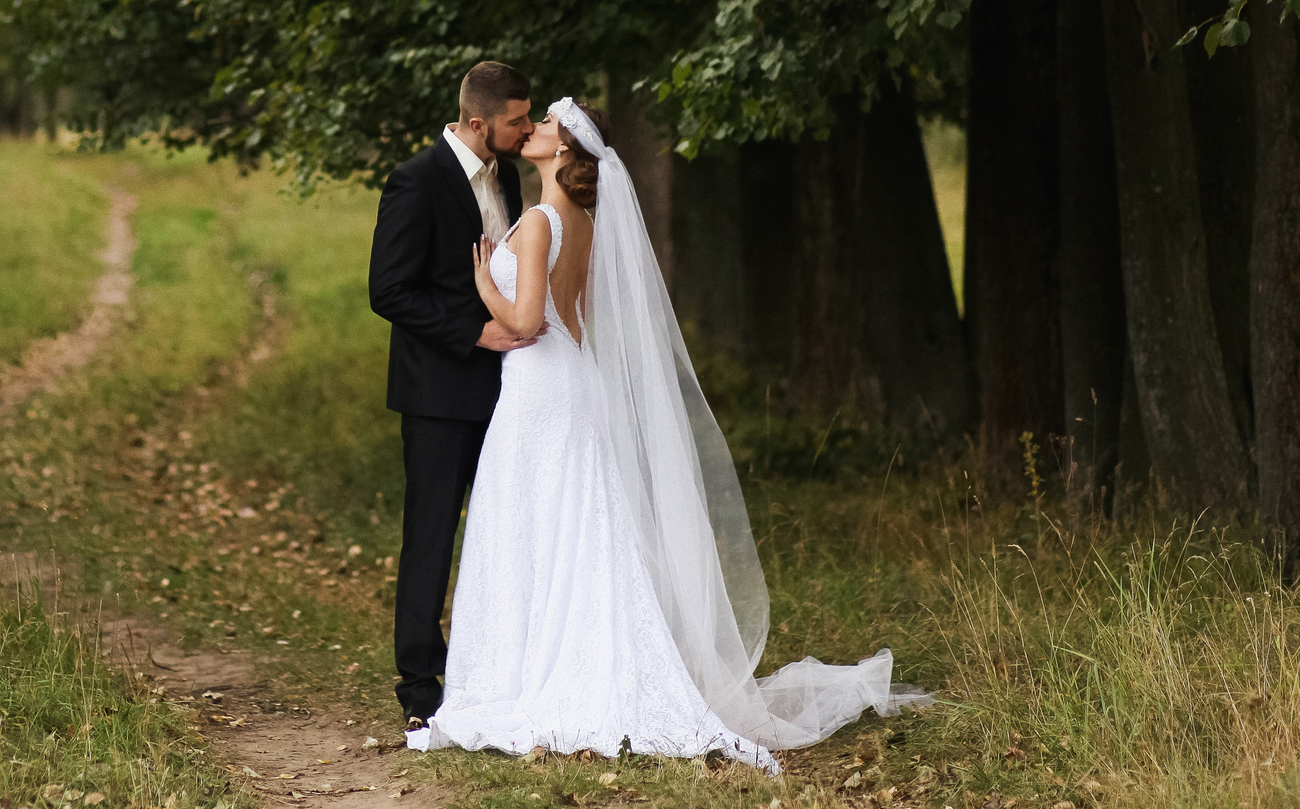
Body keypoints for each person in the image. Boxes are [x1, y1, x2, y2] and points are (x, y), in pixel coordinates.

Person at [407, 96, 925, 769]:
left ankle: (533, 674)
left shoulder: (537, 222)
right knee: (577, 526)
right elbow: (582, 322)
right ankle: (570, 659)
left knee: (539, 525)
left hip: (541, 385)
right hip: (571, 381)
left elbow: (530, 322)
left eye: (544, 126)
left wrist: (485, 287)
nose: (530, 131)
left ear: (564, 150)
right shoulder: (582, 223)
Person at [367, 60, 541, 729]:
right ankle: (419, 684)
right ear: (478, 121)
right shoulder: (416, 180)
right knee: (432, 534)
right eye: (516, 120)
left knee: (503, 528)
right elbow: (389, 290)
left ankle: (491, 667)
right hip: (438, 391)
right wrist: (476, 333)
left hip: (508, 391)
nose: (525, 130)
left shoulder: (508, 176)